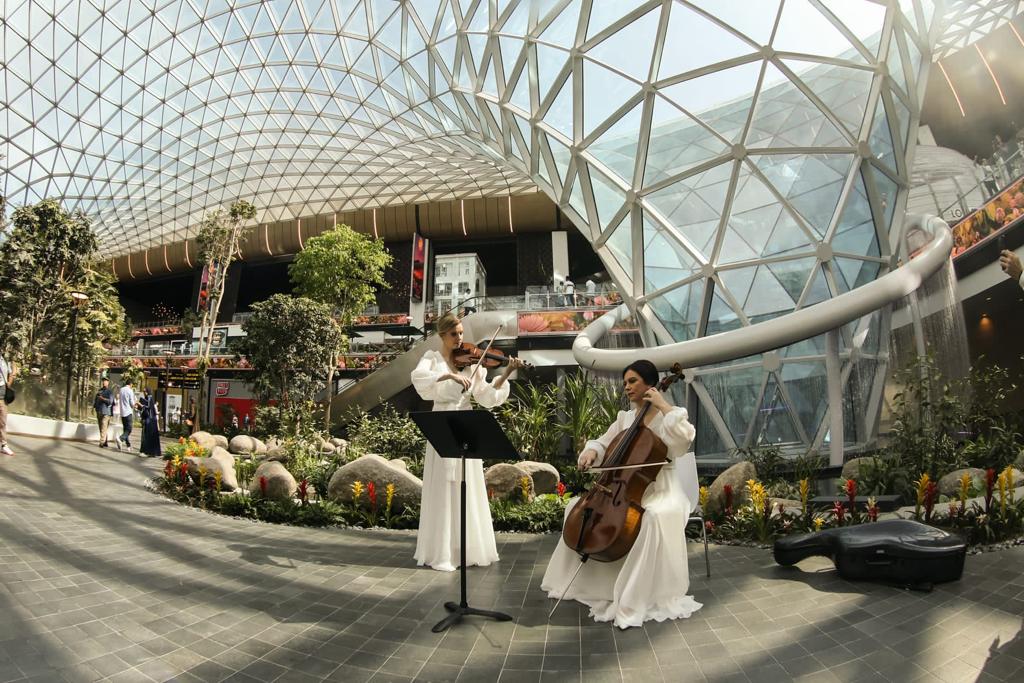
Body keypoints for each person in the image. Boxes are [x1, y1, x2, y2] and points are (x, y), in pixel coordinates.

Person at [541, 359, 701, 629]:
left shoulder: (669, 415)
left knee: (649, 520)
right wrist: (592, 451)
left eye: (633, 381)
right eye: (625, 382)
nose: (626, 387)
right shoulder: (625, 419)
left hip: (661, 490)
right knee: (574, 509)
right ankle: (591, 586)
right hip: (624, 490)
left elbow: (684, 441)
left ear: (650, 384)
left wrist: (663, 405)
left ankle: (635, 592)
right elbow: (603, 442)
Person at [410, 312, 527, 571]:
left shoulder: (472, 365)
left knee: (466, 483)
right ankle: (442, 552)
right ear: (442, 335)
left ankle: (466, 549)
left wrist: (507, 370)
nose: (460, 339)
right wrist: (449, 376)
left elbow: (486, 396)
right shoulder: (431, 359)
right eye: (454, 334)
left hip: (465, 423)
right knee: (442, 485)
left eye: (461, 334)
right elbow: (419, 381)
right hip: (442, 422)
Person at [0, 351, 16, 457]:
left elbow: (11, 373)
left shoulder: (4, 360)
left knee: (2, 422)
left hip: (2, 396)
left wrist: (9, 384)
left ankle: (4, 445)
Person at [139, 388, 162, 457]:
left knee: (146, 436)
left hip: (149, 420)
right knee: (150, 436)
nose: (144, 393)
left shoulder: (149, 397)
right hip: (151, 420)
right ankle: (152, 452)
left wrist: (141, 404)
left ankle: (146, 451)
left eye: (145, 391)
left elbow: (148, 406)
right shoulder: (149, 398)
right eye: (143, 391)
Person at [118, 378, 139, 450]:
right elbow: (132, 403)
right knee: (129, 429)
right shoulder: (130, 391)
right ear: (131, 384)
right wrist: (136, 404)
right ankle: (121, 439)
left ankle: (128, 445)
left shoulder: (121, 390)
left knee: (125, 429)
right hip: (128, 412)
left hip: (122, 412)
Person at [93, 378, 115, 448]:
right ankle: (105, 441)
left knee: (104, 427)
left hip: (106, 412)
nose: (104, 382)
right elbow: (96, 400)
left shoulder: (110, 392)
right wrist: (94, 407)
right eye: (103, 381)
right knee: (101, 427)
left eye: (105, 381)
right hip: (99, 411)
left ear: (108, 383)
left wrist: (103, 399)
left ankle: (101, 442)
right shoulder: (99, 391)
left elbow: (110, 402)